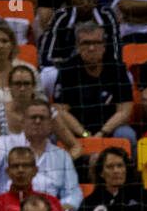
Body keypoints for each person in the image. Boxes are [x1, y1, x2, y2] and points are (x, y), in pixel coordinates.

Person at [0, 100, 81, 211]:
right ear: (23, 122)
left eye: (42, 118)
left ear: (51, 124)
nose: (37, 121)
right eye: (33, 117)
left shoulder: (62, 156)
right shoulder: (2, 144)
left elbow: (73, 193)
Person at [52, 22, 137, 152]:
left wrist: (102, 133)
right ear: (77, 47)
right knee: (53, 136)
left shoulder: (117, 68)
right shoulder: (67, 70)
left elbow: (124, 111)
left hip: (109, 129)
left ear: (104, 45)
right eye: (85, 43)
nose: (91, 48)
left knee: (127, 135)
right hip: (76, 130)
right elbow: (61, 110)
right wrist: (84, 134)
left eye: (96, 42)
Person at [37, 0, 123, 85]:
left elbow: (116, 55)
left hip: (101, 69)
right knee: (47, 74)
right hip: (68, 70)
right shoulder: (62, 17)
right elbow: (47, 57)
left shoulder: (107, 16)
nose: (85, 2)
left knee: (125, 75)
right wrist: (73, 67)